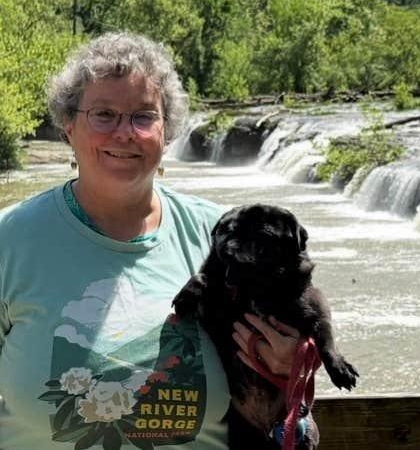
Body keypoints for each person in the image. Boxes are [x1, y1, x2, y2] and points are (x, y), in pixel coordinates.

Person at [0, 32, 298, 448]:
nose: (124, 133)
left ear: (167, 132)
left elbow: (281, 368)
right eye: (103, 114)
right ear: (68, 126)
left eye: (143, 117)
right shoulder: (10, 240)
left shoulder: (223, 240)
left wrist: (291, 364)